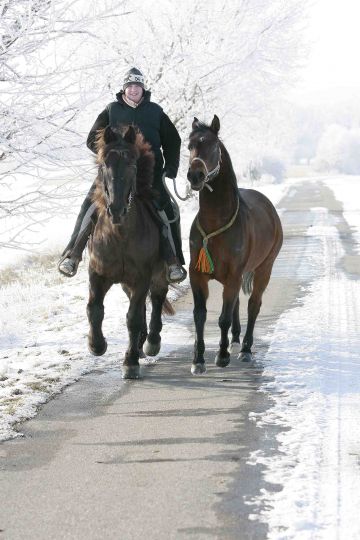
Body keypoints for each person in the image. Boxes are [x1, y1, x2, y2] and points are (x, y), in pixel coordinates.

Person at [58, 67, 186, 283]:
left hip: (149, 173)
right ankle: (72, 255)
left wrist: (170, 168)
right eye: (130, 86)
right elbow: (91, 139)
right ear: (124, 89)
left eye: (137, 86)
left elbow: (173, 141)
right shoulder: (111, 110)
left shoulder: (155, 111)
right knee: (88, 205)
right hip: (115, 171)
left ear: (143, 89)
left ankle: (174, 262)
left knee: (168, 208)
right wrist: (110, 153)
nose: (134, 90)